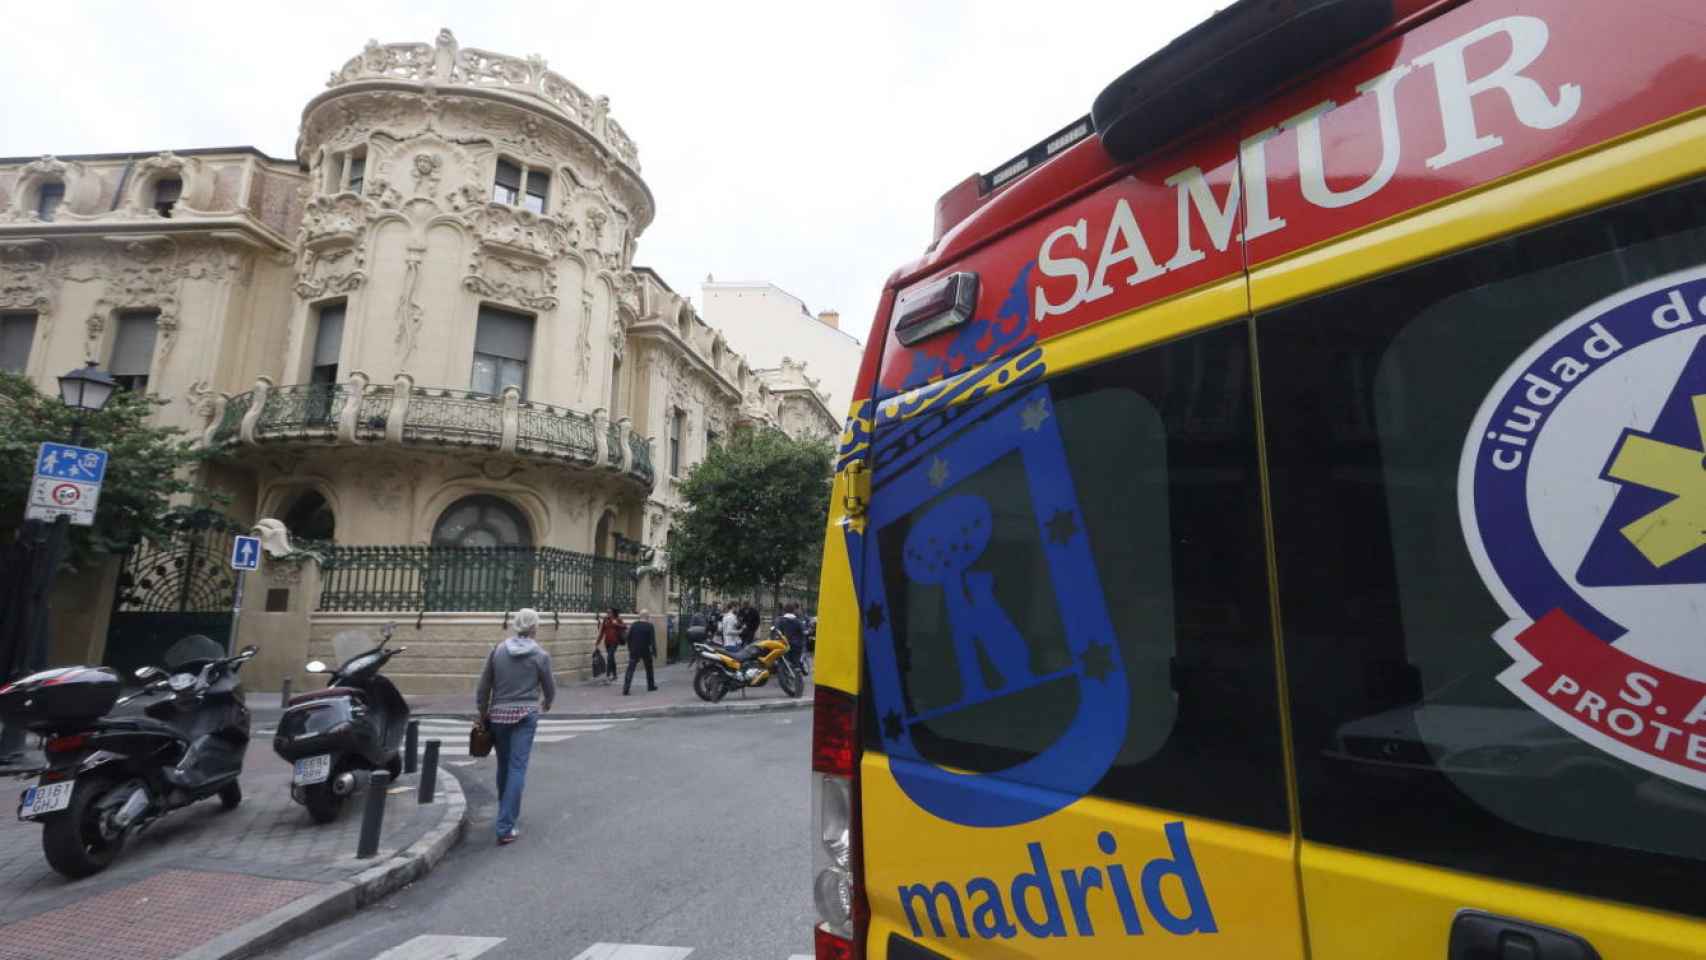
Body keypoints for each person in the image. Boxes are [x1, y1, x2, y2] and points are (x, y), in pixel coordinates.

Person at [476, 608, 556, 846]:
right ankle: (505, 825)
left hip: (499, 715)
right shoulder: (540, 655)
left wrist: (482, 711)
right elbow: (549, 686)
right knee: (517, 768)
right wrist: (548, 702)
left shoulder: (498, 651)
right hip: (525, 715)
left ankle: (505, 815)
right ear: (534, 627)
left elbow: (484, 685)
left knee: (504, 766)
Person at [623, 609, 658, 695]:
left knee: (630, 669)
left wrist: (630, 648)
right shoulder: (650, 626)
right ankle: (650, 686)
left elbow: (628, 638)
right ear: (647, 617)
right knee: (649, 669)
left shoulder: (634, 625)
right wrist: (654, 652)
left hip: (634, 650)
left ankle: (626, 688)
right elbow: (652, 641)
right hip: (645, 650)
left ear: (640, 616)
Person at [774, 602, 807, 671]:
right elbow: (803, 632)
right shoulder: (798, 621)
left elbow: (776, 632)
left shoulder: (779, 620)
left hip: (784, 645)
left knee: (784, 663)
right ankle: (798, 676)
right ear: (793, 610)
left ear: (784, 610)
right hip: (796, 646)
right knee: (796, 665)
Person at [596, 607, 625, 683]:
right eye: (607, 612)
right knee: (611, 658)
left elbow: (624, 626)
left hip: (615, 642)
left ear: (613, 613)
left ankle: (608, 676)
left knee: (609, 657)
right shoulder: (605, 620)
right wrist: (598, 642)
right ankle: (615, 675)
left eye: (610, 612)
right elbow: (602, 631)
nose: (608, 614)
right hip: (607, 642)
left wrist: (617, 624)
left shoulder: (617, 619)